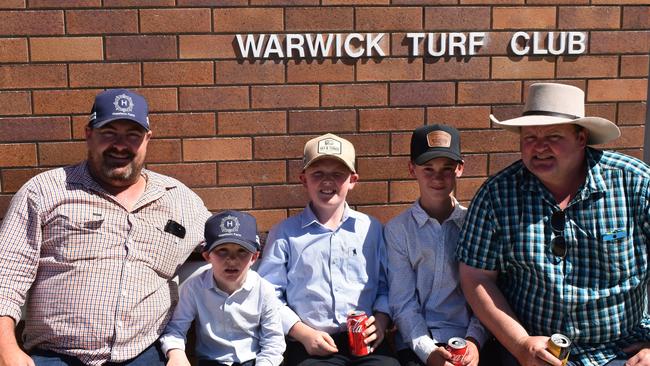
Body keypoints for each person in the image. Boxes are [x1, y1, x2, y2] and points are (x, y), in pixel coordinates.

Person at [0, 89, 211, 366]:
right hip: (56, 356)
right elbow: (7, 276)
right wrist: (6, 351)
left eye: (133, 135)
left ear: (148, 139)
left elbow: (227, 240)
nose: (120, 145)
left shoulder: (178, 198)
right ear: (89, 134)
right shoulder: (44, 191)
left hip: (143, 355)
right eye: (109, 132)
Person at [456, 82, 650, 366]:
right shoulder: (497, 194)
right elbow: (476, 277)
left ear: (581, 138)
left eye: (553, 135)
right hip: (533, 348)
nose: (539, 146)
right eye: (530, 136)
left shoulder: (635, 183)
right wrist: (520, 343)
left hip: (623, 349)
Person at [256, 133, 399, 366]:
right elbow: (269, 295)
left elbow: (387, 285)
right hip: (311, 344)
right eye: (318, 173)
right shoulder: (284, 233)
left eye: (337, 174)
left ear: (352, 180)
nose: (327, 181)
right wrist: (301, 333)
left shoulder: (371, 230)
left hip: (367, 341)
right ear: (304, 179)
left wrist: (381, 322)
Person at [385, 124, 488, 366]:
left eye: (447, 169)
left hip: (468, 337)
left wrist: (475, 340)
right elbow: (403, 303)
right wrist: (428, 352)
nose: (437, 178)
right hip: (419, 339)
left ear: (460, 169)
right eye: (428, 169)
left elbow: (486, 291)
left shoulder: (475, 224)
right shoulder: (398, 230)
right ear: (412, 169)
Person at [160, 210, 285, 366]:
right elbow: (176, 329)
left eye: (242, 251)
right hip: (211, 361)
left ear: (254, 257)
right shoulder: (194, 288)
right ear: (207, 256)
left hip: (252, 361)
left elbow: (274, 341)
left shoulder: (264, 290)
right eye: (222, 251)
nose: (232, 260)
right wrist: (176, 353)